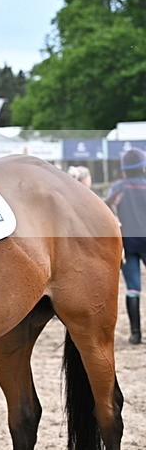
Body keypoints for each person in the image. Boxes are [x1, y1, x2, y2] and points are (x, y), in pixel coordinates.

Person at [105, 147, 146, 345]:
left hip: (127, 242)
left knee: (133, 287)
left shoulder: (119, 187)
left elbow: (106, 205)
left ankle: (136, 334)